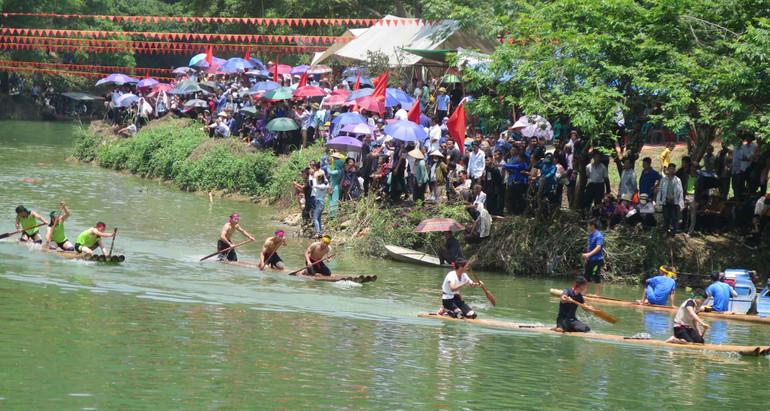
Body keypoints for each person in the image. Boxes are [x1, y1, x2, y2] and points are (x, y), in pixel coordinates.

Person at [657, 163, 684, 235]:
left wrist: (676, 199)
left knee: (674, 217)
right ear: (668, 169)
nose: (672, 170)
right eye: (671, 169)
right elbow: (660, 190)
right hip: (666, 200)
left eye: (673, 169)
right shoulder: (664, 180)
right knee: (666, 217)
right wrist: (662, 199)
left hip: (674, 201)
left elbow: (680, 191)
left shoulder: (677, 180)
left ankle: (674, 231)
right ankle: (666, 230)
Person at [581, 219, 604, 296]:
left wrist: (589, 254)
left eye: (588, 225)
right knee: (587, 274)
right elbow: (590, 245)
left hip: (597, 260)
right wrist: (587, 256)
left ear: (592, 226)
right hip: (590, 259)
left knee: (596, 275)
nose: (587, 227)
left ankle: (597, 294)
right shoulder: (591, 234)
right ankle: (586, 291)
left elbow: (598, 247)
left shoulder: (599, 235)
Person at [311, 170, 329, 237]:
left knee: (315, 218)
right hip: (319, 203)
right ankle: (320, 232)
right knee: (318, 218)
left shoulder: (323, 186)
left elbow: (316, 186)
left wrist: (314, 180)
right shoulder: (323, 185)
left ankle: (318, 233)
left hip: (320, 203)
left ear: (320, 180)